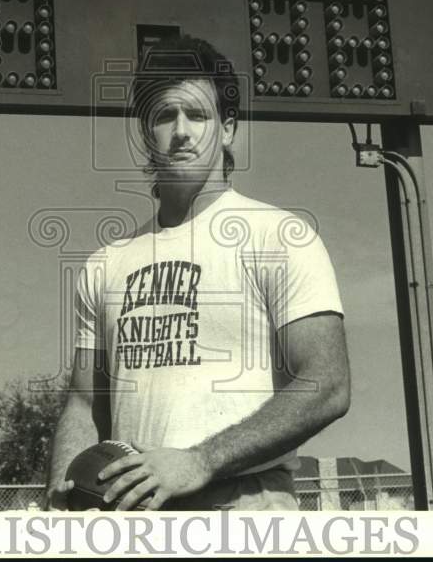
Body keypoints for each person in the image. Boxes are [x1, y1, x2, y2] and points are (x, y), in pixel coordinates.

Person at [47, 34, 350, 511]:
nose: (182, 131)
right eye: (165, 116)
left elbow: (327, 384)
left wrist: (201, 460)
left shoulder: (279, 235)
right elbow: (85, 404)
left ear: (227, 129)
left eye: (199, 115)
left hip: (245, 506)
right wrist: (61, 490)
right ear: (148, 132)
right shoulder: (105, 264)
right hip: (132, 512)